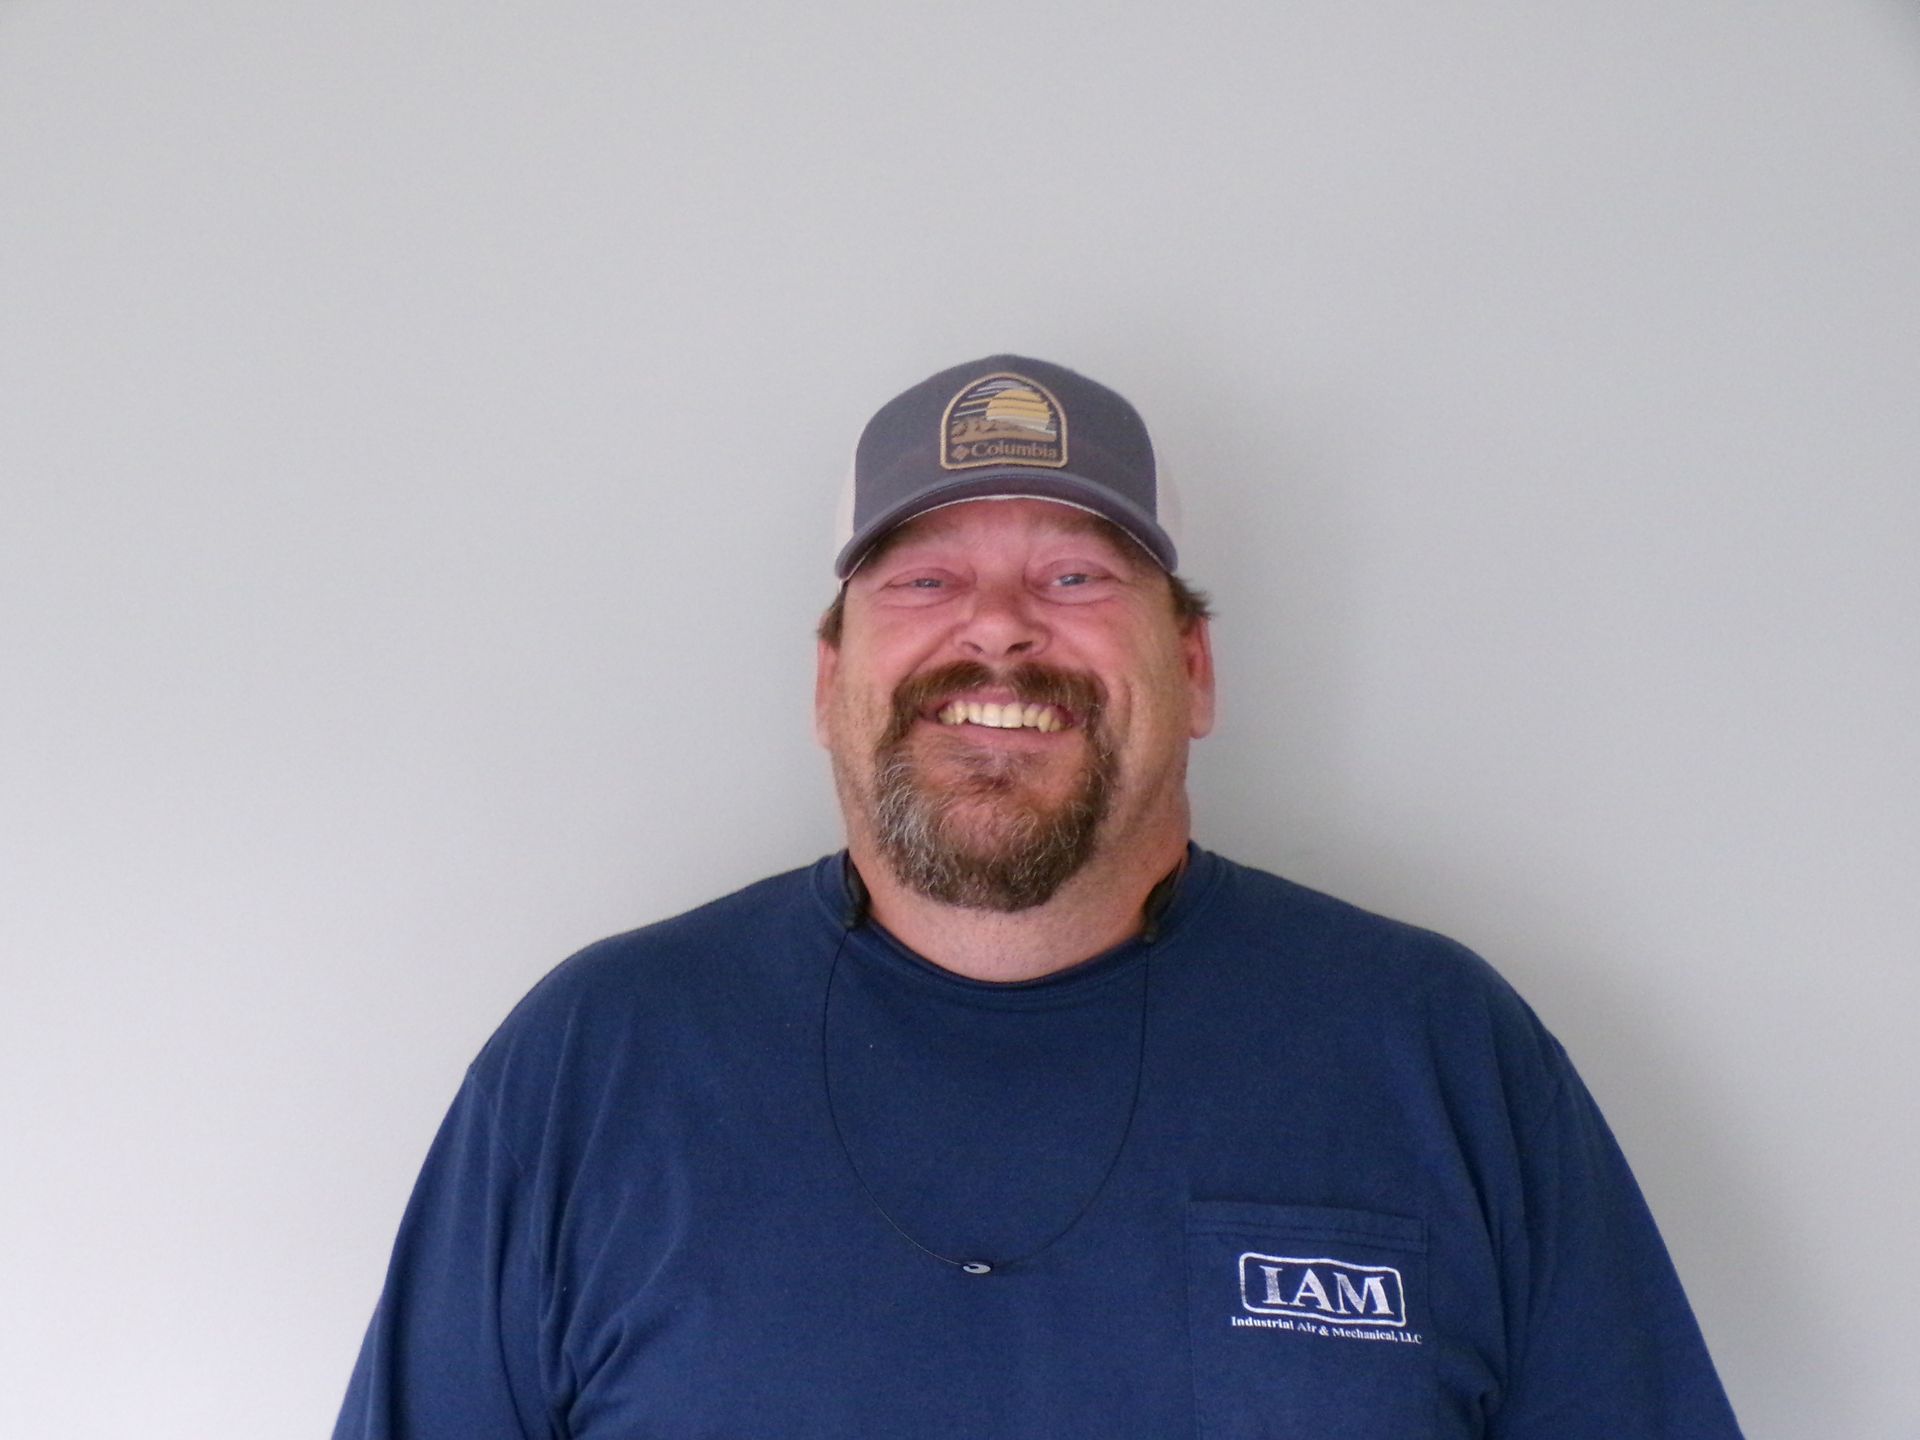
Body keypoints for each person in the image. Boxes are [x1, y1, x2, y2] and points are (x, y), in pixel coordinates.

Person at [335, 356, 1744, 1438]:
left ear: (1193, 669)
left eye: (1075, 575)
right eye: (924, 579)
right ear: (829, 682)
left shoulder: (1437, 1049)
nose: (999, 626)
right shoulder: (595, 1065)